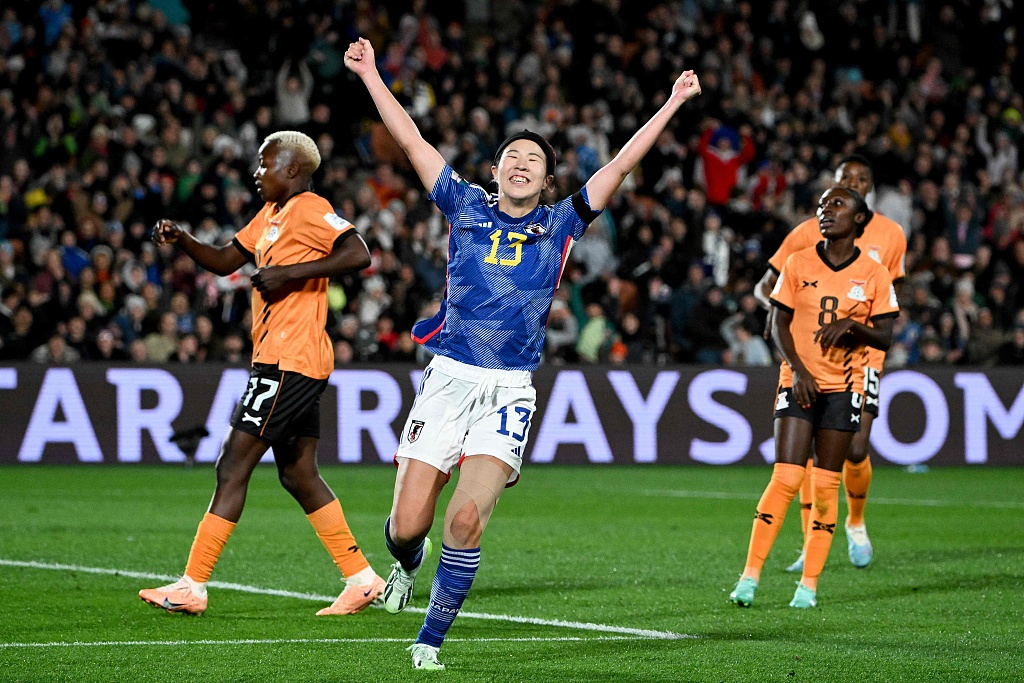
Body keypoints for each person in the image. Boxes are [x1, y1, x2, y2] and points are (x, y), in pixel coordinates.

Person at [345, 36, 702, 670]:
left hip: (509, 387)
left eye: (534, 159)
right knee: (407, 525)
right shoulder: (462, 204)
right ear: (495, 171)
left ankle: (430, 639)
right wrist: (372, 74)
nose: (521, 163)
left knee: (465, 522)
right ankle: (406, 561)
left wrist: (672, 103)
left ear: (546, 179)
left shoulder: (562, 222)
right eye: (512, 154)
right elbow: (412, 141)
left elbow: (620, 166)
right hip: (449, 376)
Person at [138, 131, 384, 617]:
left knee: (232, 466)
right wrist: (183, 239)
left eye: (264, 163)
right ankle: (362, 579)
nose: (257, 171)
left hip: (289, 361)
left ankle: (192, 585)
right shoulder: (270, 215)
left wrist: (289, 274)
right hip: (290, 360)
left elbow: (358, 253)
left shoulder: (311, 208)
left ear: (292, 169)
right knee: (298, 473)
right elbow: (225, 260)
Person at [730, 187, 898, 609]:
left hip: (845, 387)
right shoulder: (798, 262)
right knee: (786, 477)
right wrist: (799, 370)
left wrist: (853, 327)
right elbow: (777, 322)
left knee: (825, 486)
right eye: (823, 204)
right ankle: (749, 576)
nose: (826, 210)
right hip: (799, 381)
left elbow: (885, 335)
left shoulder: (874, 273)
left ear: (860, 219)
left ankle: (808, 586)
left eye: (837, 204)